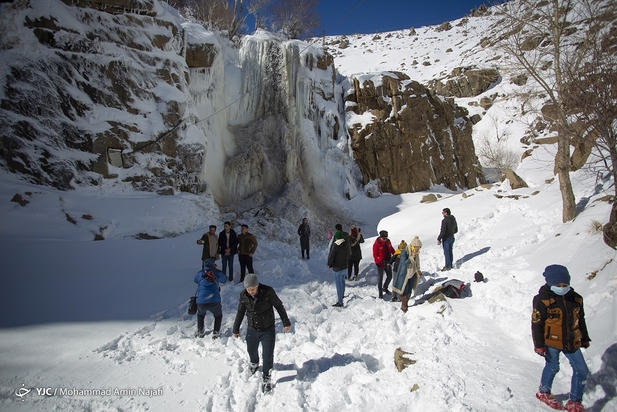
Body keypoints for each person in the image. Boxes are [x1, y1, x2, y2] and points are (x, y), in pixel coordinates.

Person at [532, 265, 590, 412]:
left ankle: (575, 401)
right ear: (550, 283)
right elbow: (537, 323)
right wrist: (538, 344)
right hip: (551, 341)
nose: (562, 288)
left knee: (582, 370)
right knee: (553, 367)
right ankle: (544, 391)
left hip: (572, 340)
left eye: (565, 285)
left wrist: (584, 337)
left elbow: (580, 320)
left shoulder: (576, 299)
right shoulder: (542, 299)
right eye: (558, 285)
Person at [233, 274, 292, 393]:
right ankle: (254, 363)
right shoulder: (243, 295)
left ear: (257, 285)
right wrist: (236, 328)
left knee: (267, 355)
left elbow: (278, 306)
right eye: (248, 289)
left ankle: (267, 378)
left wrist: (286, 322)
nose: (251, 292)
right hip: (252, 329)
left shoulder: (268, 291)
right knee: (251, 350)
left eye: (253, 289)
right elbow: (240, 311)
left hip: (267, 329)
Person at [193, 266, 227, 339]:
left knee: (201, 315)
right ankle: (216, 332)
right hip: (214, 300)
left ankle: (200, 331)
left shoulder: (200, 273)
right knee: (218, 316)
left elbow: (195, 280)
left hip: (201, 301)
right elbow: (224, 279)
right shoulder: (216, 272)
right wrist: (217, 271)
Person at [392, 236, 422, 313]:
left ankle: (406, 303)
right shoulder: (405, 251)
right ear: (413, 246)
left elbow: (417, 262)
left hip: (412, 273)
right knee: (404, 290)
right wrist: (411, 257)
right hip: (405, 274)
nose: (418, 249)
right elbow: (403, 262)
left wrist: (418, 270)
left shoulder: (416, 252)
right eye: (417, 247)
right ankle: (403, 305)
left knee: (409, 289)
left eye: (419, 247)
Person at [328, 227, 351, 307]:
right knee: (342, 282)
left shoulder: (335, 245)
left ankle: (340, 302)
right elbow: (348, 255)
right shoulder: (346, 244)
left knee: (338, 285)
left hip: (337, 267)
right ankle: (342, 295)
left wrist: (329, 264)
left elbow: (331, 255)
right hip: (344, 266)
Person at [373, 230, 395, 298]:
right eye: (384, 238)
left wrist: (395, 254)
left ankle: (385, 288)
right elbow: (375, 255)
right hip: (380, 263)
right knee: (380, 278)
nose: (385, 239)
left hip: (388, 261)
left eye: (386, 238)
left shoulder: (388, 242)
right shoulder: (377, 244)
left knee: (390, 276)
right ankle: (380, 293)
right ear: (380, 237)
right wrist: (380, 260)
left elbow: (391, 249)